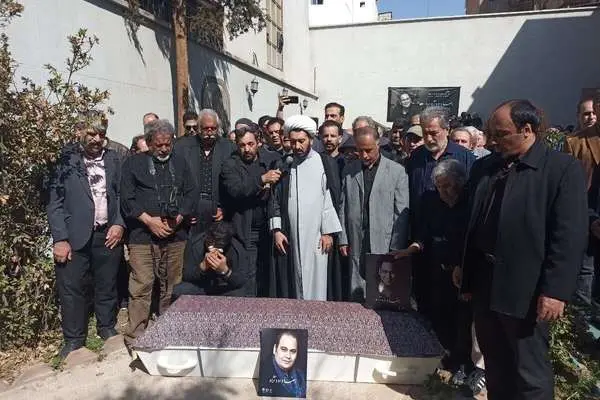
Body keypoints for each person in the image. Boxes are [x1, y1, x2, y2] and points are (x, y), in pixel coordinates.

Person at [459, 100, 587, 400]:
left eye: (501, 134)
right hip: (485, 283)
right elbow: (471, 221)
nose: (493, 141)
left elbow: (568, 236)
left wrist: (555, 291)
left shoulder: (560, 169)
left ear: (527, 130)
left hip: (526, 291)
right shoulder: (485, 167)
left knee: (529, 372)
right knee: (496, 365)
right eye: (491, 133)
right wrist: (462, 267)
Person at [47, 111, 125, 359]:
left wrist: (119, 224)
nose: (96, 139)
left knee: (107, 284)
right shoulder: (65, 160)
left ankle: (106, 327)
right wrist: (60, 239)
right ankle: (74, 340)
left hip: (107, 233)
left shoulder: (115, 159)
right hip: (74, 236)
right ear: (79, 132)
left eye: (101, 134)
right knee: (71, 289)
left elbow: (123, 195)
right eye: (91, 133)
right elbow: (54, 202)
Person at [120, 119, 197, 349]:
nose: (164, 149)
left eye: (167, 144)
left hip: (175, 236)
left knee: (172, 286)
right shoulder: (133, 163)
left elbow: (191, 194)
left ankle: (170, 332)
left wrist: (178, 219)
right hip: (142, 237)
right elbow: (127, 199)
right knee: (141, 286)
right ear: (149, 142)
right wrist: (149, 221)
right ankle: (136, 338)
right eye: (158, 145)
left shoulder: (180, 162)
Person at [268, 115, 342, 300]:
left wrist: (328, 232)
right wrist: (277, 230)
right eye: (293, 142)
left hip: (317, 235)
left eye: (301, 141)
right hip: (290, 234)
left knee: (318, 280)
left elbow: (331, 198)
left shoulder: (325, 163)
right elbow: (275, 199)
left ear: (311, 139)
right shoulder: (284, 164)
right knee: (293, 280)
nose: (297, 146)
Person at [338, 126, 410, 302]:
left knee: (380, 290)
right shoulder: (349, 170)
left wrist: (396, 245)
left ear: (378, 144)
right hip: (356, 236)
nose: (364, 155)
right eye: (360, 150)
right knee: (356, 285)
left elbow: (401, 212)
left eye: (368, 150)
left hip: (383, 238)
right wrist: (343, 238)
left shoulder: (396, 171)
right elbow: (343, 206)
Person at [220, 124, 281, 296]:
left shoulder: (267, 161)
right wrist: (262, 180)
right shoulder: (230, 165)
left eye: (250, 144)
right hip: (245, 230)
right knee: (249, 275)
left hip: (268, 229)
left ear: (258, 142)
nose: (246, 149)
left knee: (268, 275)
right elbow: (237, 189)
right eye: (242, 145)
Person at [173, 109, 234, 236]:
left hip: (217, 208)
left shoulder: (229, 147)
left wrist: (226, 209)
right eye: (206, 128)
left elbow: (233, 183)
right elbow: (176, 182)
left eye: (213, 128)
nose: (210, 132)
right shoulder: (182, 147)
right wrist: (184, 211)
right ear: (199, 128)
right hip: (191, 209)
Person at [565, 96, 600, 306]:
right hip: (586, 212)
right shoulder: (575, 141)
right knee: (586, 271)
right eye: (587, 113)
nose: (591, 117)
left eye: (593, 113)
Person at [173, 221, 251, 297]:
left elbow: (241, 280)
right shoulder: (195, 244)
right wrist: (202, 267)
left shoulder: (237, 249)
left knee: (240, 293)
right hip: (201, 285)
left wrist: (225, 271)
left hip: (224, 286)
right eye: (210, 244)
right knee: (180, 290)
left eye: (219, 246)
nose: (213, 250)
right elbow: (187, 275)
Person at [259, 330, 306, 398]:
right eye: (284, 349)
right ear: (275, 349)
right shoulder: (264, 373)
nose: (288, 356)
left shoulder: (300, 375)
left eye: (293, 351)